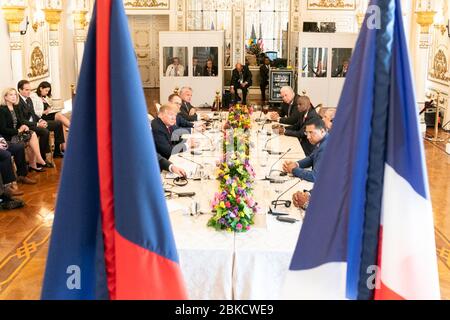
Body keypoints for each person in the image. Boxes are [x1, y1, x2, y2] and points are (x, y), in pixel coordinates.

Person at [0, 88, 48, 173]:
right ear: (5, 97)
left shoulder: (15, 107)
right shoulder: (2, 110)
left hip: (16, 133)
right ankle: (36, 161)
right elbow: (3, 129)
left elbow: (20, 121)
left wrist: (24, 126)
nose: (14, 97)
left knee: (32, 134)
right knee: (31, 138)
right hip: (8, 137)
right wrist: (18, 130)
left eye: (15, 94)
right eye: (11, 95)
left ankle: (35, 162)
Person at [17, 80, 64, 163]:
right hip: (27, 126)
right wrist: (38, 124)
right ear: (20, 90)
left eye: (30, 90)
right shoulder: (17, 102)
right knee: (44, 131)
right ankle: (42, 156)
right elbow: (22, 120)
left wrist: (41, 120)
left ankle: (57, 151)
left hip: (35, 122)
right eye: (26, 90)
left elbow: (33, 114)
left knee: (58, 124)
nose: (29, 92)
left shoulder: (28, 99)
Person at [282, 117, 329, 183]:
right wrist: (296, 164)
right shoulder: (323, 140)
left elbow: (315, 176)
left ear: (322, 131)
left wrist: (293, 170)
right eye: (307, 133)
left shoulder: (326, 147)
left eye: (311, 132)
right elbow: (311, 158)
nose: (308, 137)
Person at [33, 81, 70, 154]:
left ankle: (63, 146)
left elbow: (49, 106)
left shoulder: (44, 97)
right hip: (41, 117)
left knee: (60, 122)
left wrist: (50, 109)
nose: (47, 92)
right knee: (59, 116)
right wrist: (44, 111)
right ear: (41, 88)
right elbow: (33, 112)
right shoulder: (34, 96)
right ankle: (74, 129)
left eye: (48, 91)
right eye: (46, 90)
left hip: (48, 115)